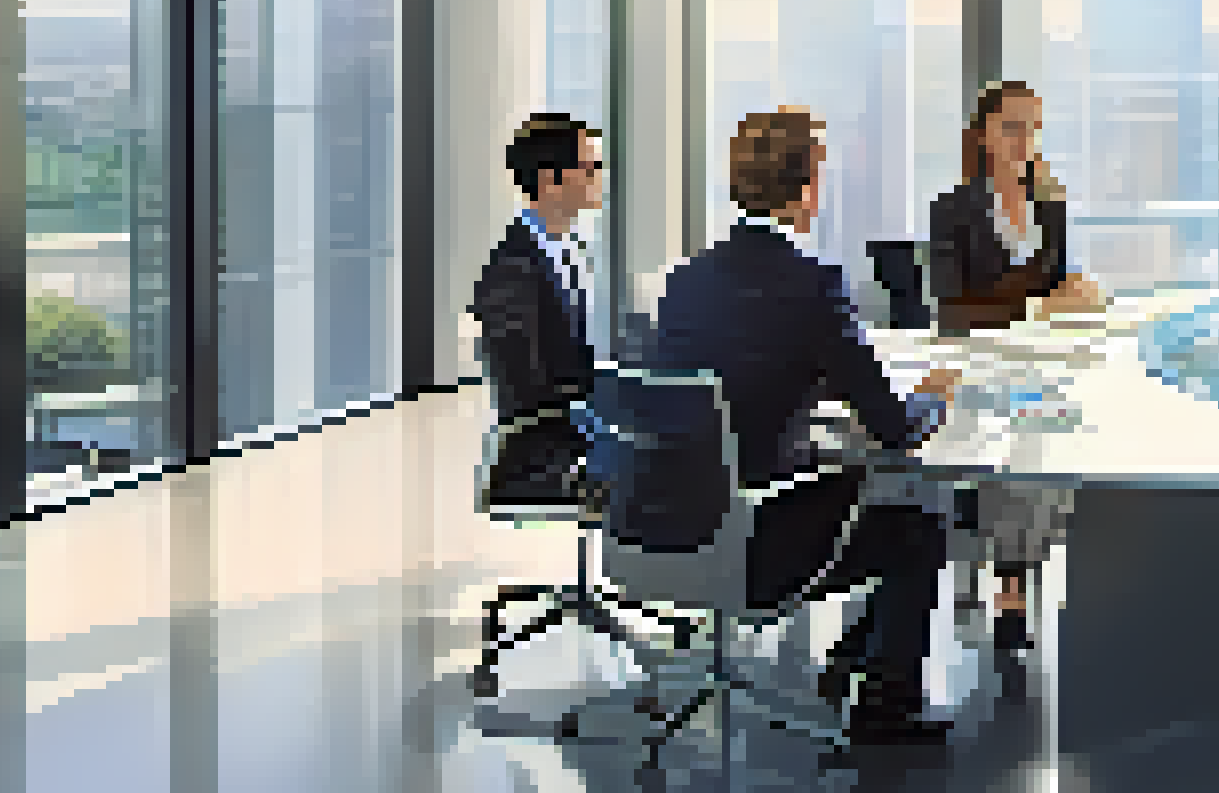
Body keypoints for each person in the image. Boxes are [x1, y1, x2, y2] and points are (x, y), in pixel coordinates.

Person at [647, 108, 963, 745]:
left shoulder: (684, 283)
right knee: (918, 526)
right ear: (808, 188)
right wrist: (932, 398)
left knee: (855, 483)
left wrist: (804, 385)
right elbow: (896, 428)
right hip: (755, 545)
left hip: (661, 529)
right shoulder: (816, 285)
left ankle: (852, 657)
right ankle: (885, 705)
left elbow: (704, 392)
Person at [926, 80, 1102, 652]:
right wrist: (1035, 304)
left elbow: (1051, 288)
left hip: (1041, 364)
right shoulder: (953, 209)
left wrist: (1075, 292)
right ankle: (1008, 591)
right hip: (974, 365)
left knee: (1044, 453)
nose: (1024, 140)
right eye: (1011, 127)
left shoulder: (1049, 205)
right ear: (984, 135)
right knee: (1014, 451)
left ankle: (1012, 581)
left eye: (1033, 128)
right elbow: (952, 310)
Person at [469, 113, 604, 512]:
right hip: (544, 455)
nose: (600, 177)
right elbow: (527, 391)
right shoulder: (511, 273)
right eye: (589, 168)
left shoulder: (575, 253)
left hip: (582, 433)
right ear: (550, 181)